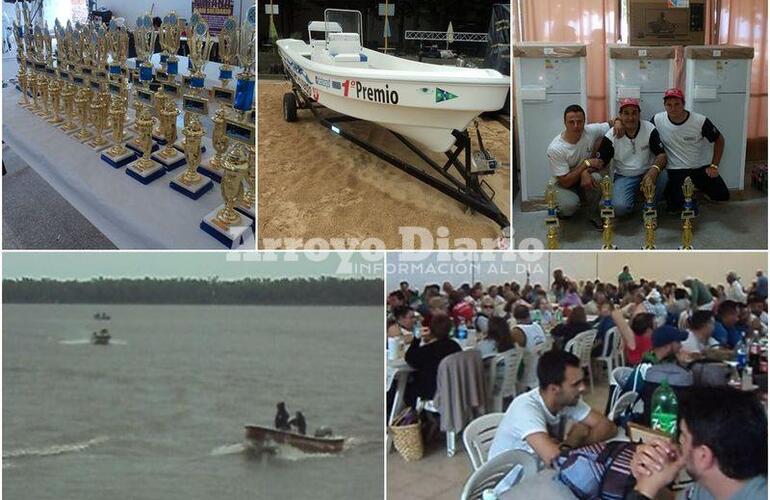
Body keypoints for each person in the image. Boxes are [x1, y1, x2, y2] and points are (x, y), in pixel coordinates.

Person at [627, 387, 766, 500]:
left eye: (684, 436)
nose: (678, 442)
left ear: (704, 456)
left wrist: (643, 491)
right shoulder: (715, 484)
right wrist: (650, 481)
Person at [488, 350, 617, 466]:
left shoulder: (568, 400)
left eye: (582, 381)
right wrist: (573, 440)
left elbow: (608, 427)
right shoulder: (525, 408)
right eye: (576, 384)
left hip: (540, 475)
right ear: (554, 389)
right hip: (510, 486)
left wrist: (572, 445)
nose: (583, 388)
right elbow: (554, 460)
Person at [652, 88, 729, 212]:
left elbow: (719, 140)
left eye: (677, 104)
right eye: (669, 105)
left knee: (722, 195)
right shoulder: (657, 120)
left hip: (698, 167)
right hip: (675, 170)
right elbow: (644, 131)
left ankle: (696, 193)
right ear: (664, 106)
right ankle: (687, 197)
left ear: (683, 104)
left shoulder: (700, 120)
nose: (673, 108)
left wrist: (714, 166)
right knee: (676, 207)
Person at [547, 104, 622, 227]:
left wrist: (618, 122)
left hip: (582, 176)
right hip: (563, 181)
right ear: (565, 123)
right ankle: (559, 208)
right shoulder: (555, 148)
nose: (576, 126)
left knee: (598, 179)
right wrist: (585, 165)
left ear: (584, 121)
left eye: (579, 122)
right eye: (571, 122)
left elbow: (611, 122)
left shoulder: (590, 131)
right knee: (569, 206)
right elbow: (565, 181)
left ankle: (593, 214)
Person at [594, 98, 668, 217]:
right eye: (626, 113)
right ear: (620, 116)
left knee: (663, 175)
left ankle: (649, 208)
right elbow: (601, 161)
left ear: (639, 114)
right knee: (620, 208)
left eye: (634, 113)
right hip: (624, 176)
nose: (630, 117)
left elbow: (662, 155)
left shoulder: (649, 128)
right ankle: (631, 200)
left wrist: (654, 170)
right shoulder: (611, 134)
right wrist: (586, 168)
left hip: (647, 172)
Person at [403, 313, 462, 406]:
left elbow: (409, 359)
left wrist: (416, 339)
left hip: (430, 392)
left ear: (430, 330)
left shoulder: (426, 351)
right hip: (451, 389)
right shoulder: (455, 346)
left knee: (407, 388)